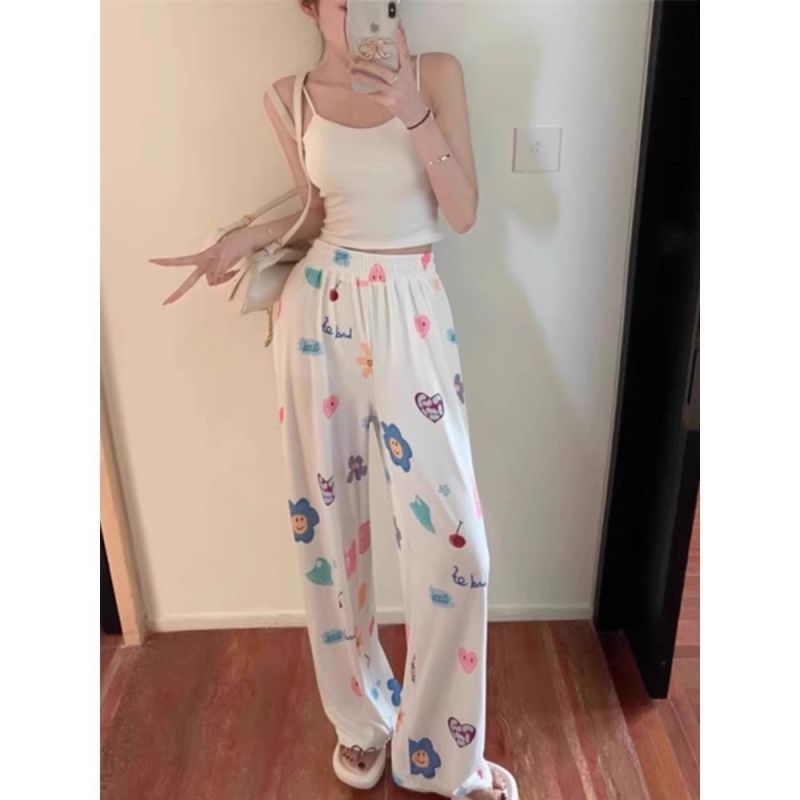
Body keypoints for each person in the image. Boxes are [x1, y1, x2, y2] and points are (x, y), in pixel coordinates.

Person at [150, 2, 518, 798]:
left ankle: (438, 752)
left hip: (412, 306)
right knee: (328, 531)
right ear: (312, 6)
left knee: (458, 550)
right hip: (320, 309)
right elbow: (315, 211)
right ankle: (362, 718)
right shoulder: (289, 97)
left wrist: (413, 110)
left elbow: (462, 212)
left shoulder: (436, 75)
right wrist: (241, 241)